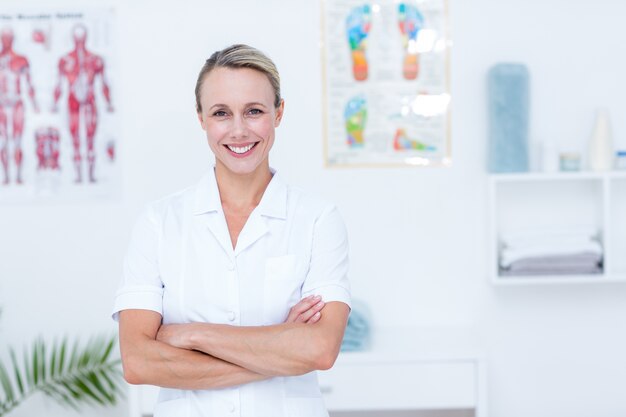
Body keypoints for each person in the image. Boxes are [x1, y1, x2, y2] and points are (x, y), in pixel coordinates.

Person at [112, 44, 351, 417]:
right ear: (201, 118)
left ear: (279, 113)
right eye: (221, 113)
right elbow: (139, 362)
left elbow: (319, 350)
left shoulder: (318, 219)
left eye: (254, 111)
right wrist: (279, 348)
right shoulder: (159, 222)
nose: (238, 130)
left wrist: (193, 336)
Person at [52, 24, 114, 183]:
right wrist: (54, 103)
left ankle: (91, 175)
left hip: (90, 100)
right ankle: (79, 175)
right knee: (75, 139)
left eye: (82, 37)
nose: (79, 41)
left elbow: (104, 83)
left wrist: (109, 102)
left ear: (86, 37)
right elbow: (59, 84)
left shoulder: (95, 60)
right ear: (73, 38)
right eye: (77, 37)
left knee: (90, 138)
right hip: (72, 101)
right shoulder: (65, 60)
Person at [0, 27, 39, 185]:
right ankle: (6, 176)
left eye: (9, 38)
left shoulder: (21, 60)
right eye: (4, 38)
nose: (6, 41)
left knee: (17, 140)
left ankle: (18, 176)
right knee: (2, 140)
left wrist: (35, 104)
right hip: (1, 104)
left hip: (17, 104)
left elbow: (29, 84)